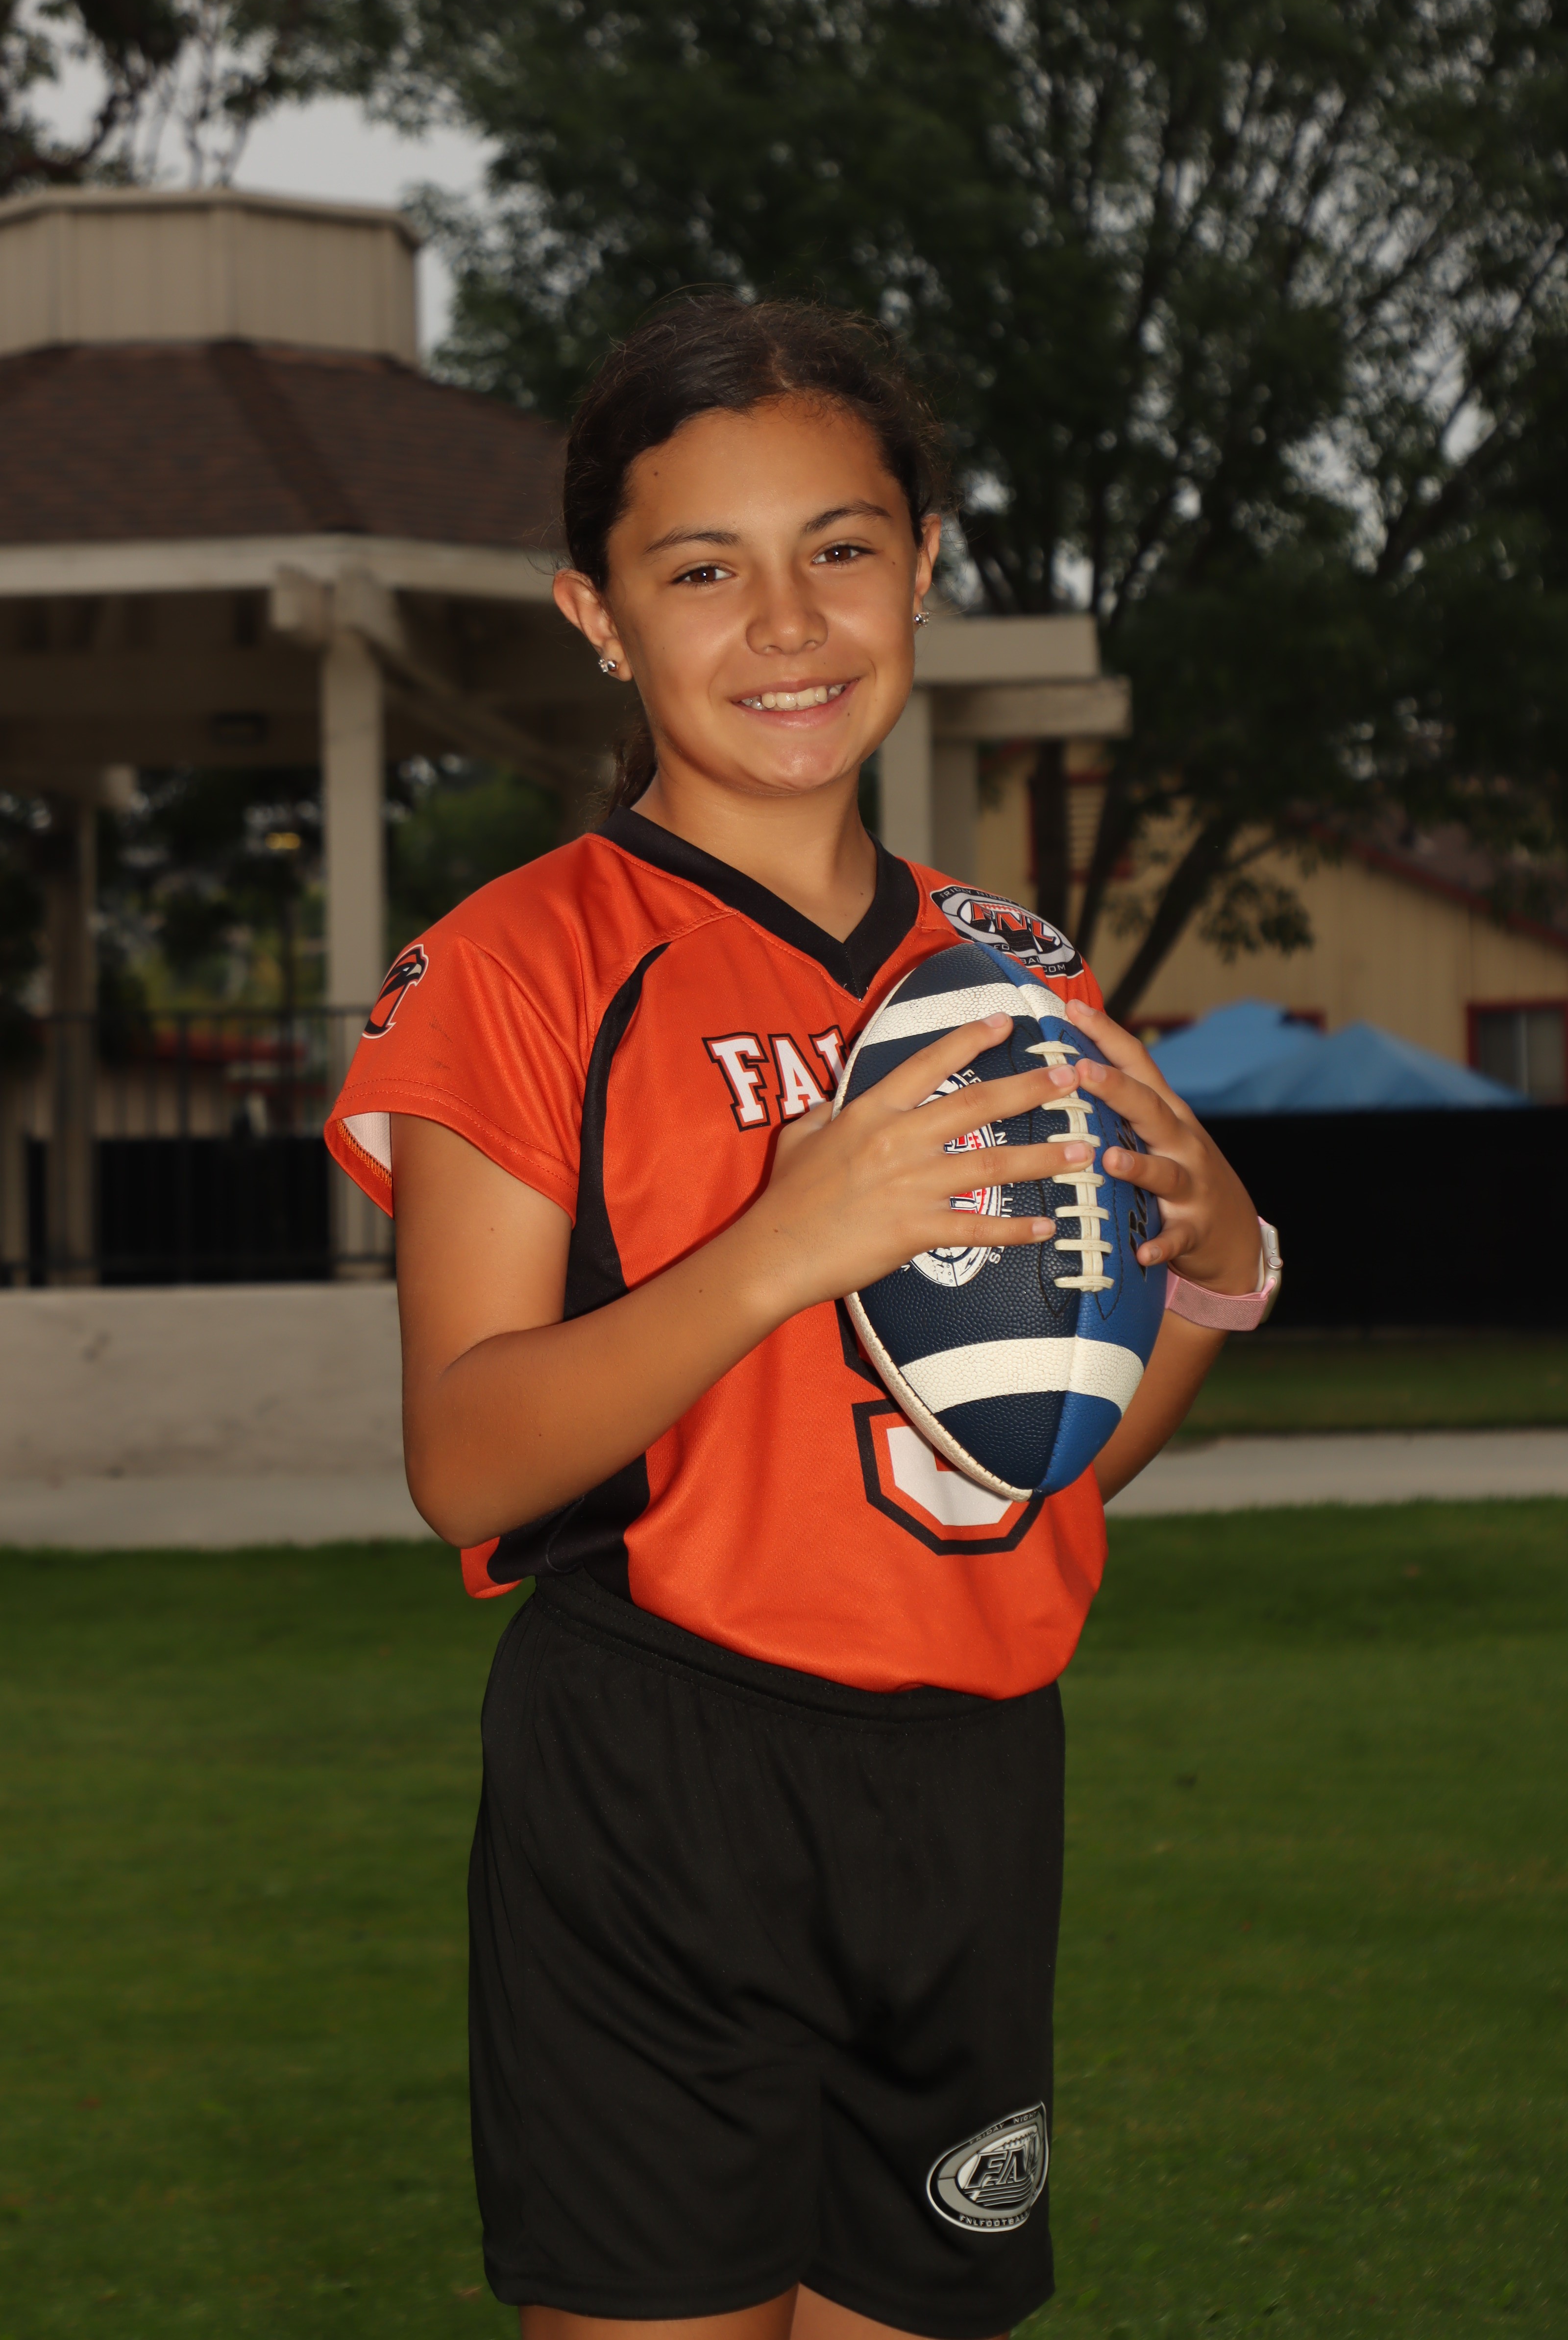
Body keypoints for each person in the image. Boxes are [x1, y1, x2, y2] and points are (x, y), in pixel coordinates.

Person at [326, 296, 1270, 2340]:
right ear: (597, 617)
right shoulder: (520, 964)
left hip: (972, 1777)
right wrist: (783, 1244)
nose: (785, 623)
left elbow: (1042, 1467)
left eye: (840, 548)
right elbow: (464, 1462)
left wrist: (1218, 1273)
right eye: (701, 570)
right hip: (662, 1775)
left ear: (923, 567)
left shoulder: (1019, 979)